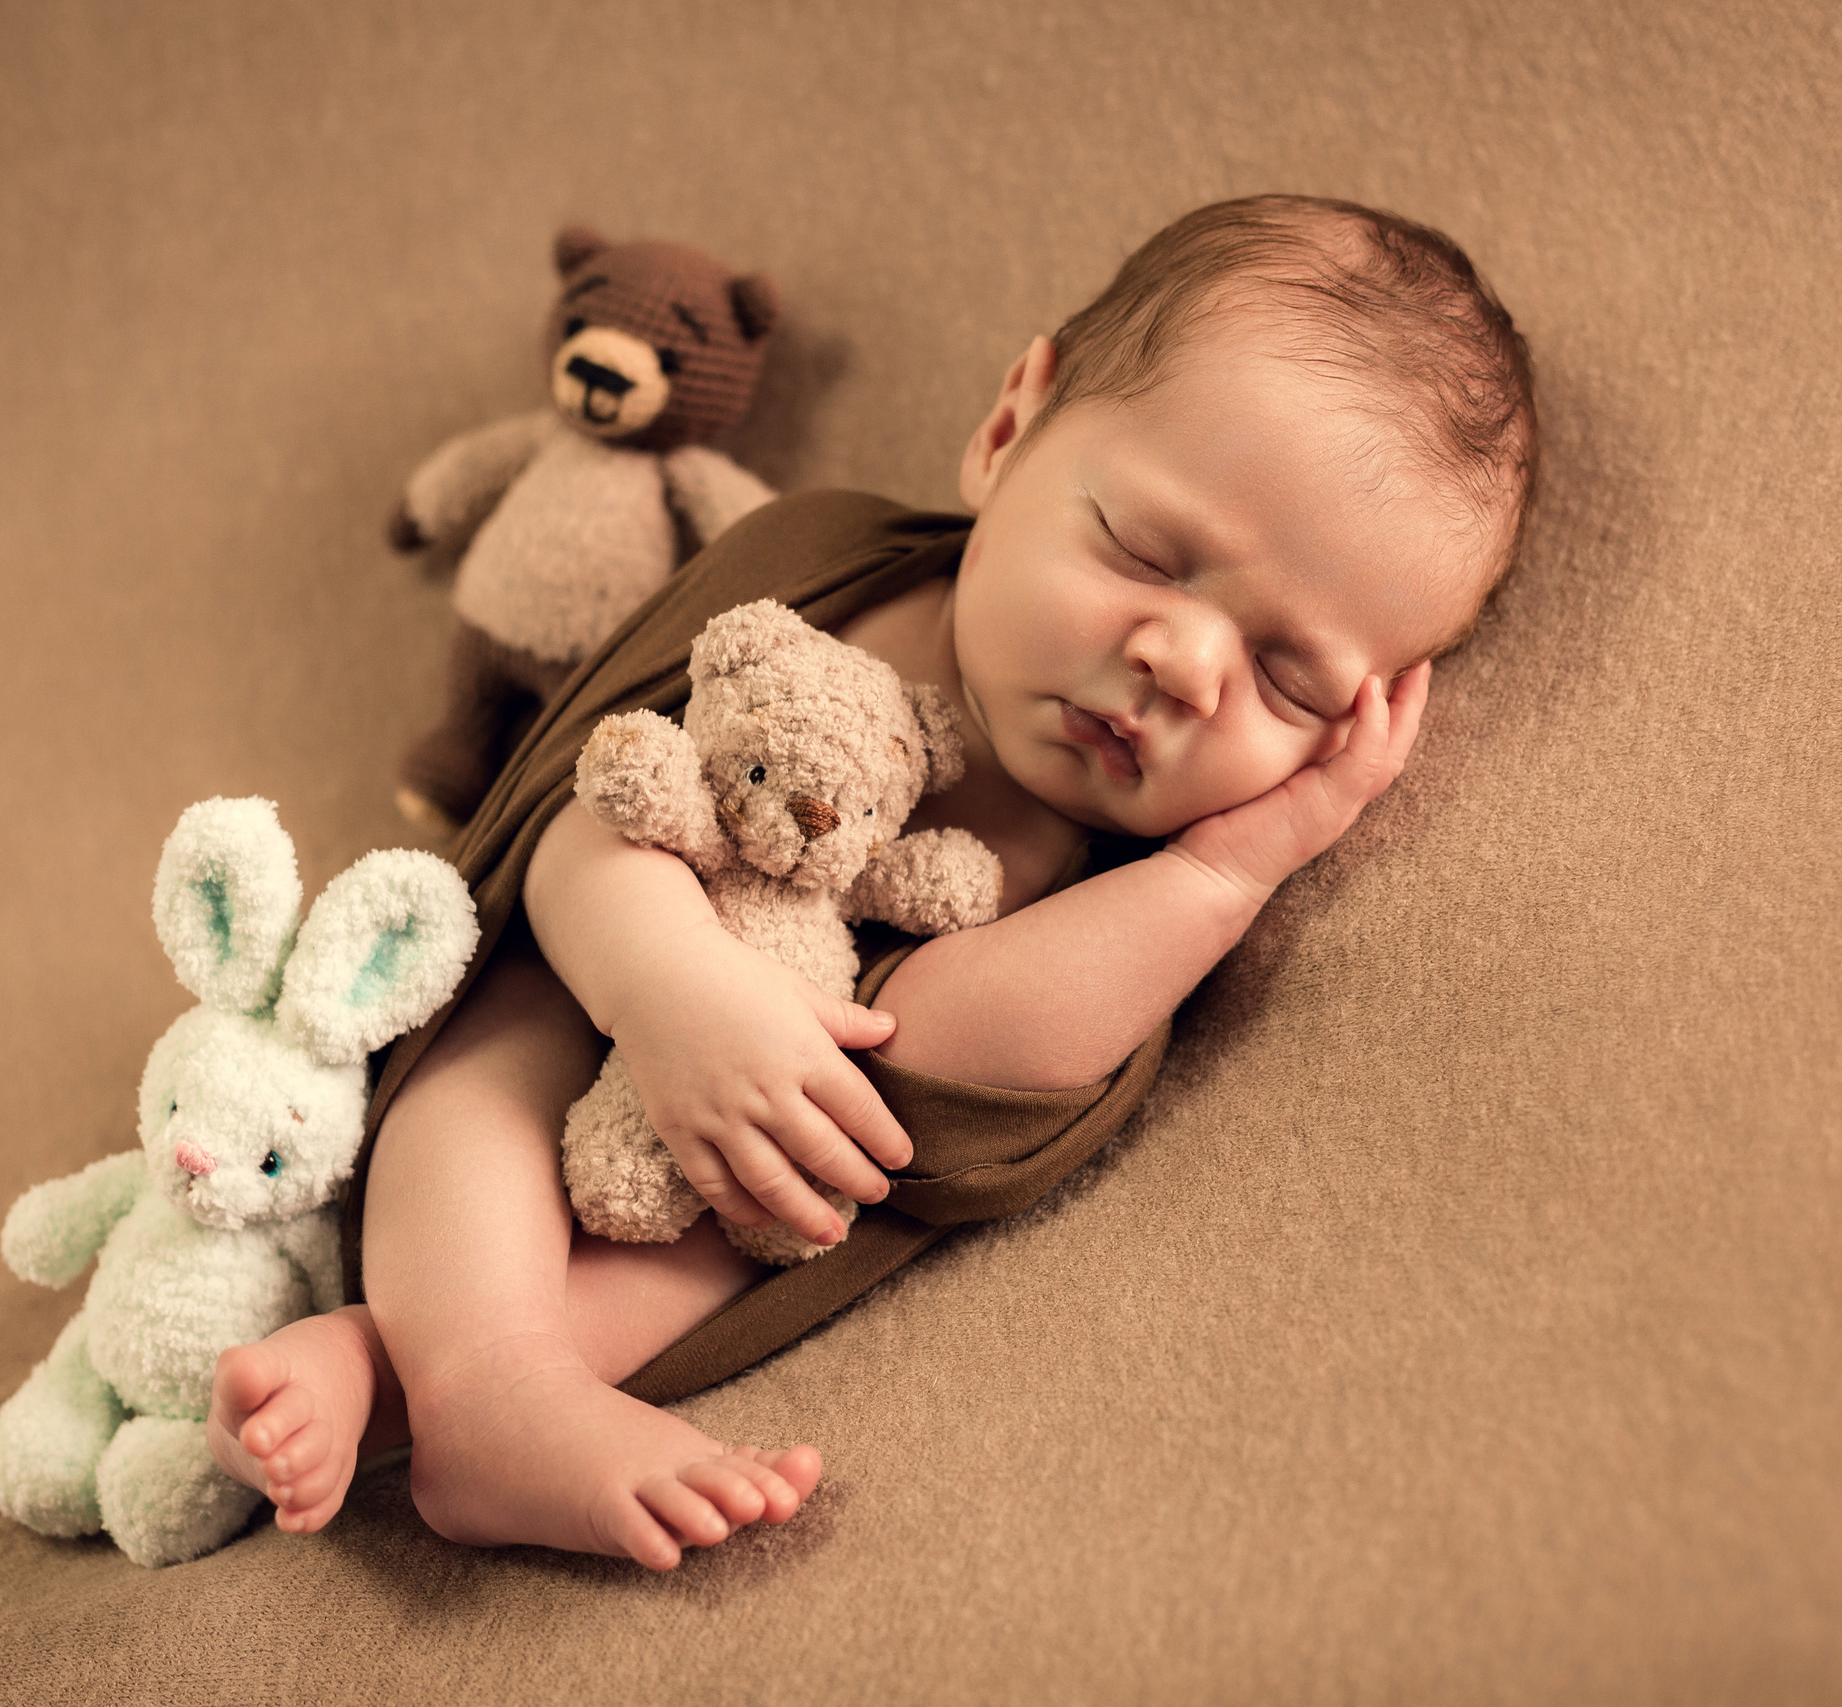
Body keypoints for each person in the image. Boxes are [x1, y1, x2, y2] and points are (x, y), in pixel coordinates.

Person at [203, 194, 1539, 1570]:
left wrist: (1232, 863)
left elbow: (959, 1087)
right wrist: (670, 986)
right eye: (1145, 551)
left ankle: (406, 1376)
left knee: (786, 1186)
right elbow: (585, 809)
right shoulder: (820, 574)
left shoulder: (1108, 878)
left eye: (1286, 675)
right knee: (505, 1051)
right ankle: (487, 1385)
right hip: (596, 965)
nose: (1186, 665)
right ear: (1012, 428)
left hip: (724, 1168)